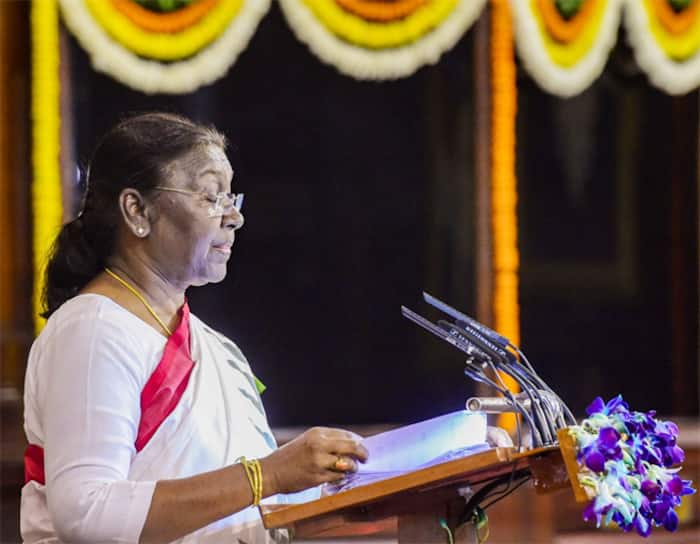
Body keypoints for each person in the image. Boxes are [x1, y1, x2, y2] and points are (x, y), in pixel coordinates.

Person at [21, 112, 369, 543]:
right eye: (211, 196)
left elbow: (240, 503)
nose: (234, 217)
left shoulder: (215, 348)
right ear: (137, 210)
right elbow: (87, 513)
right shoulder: (93, 330)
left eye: (231, 197)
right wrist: (269, 474)